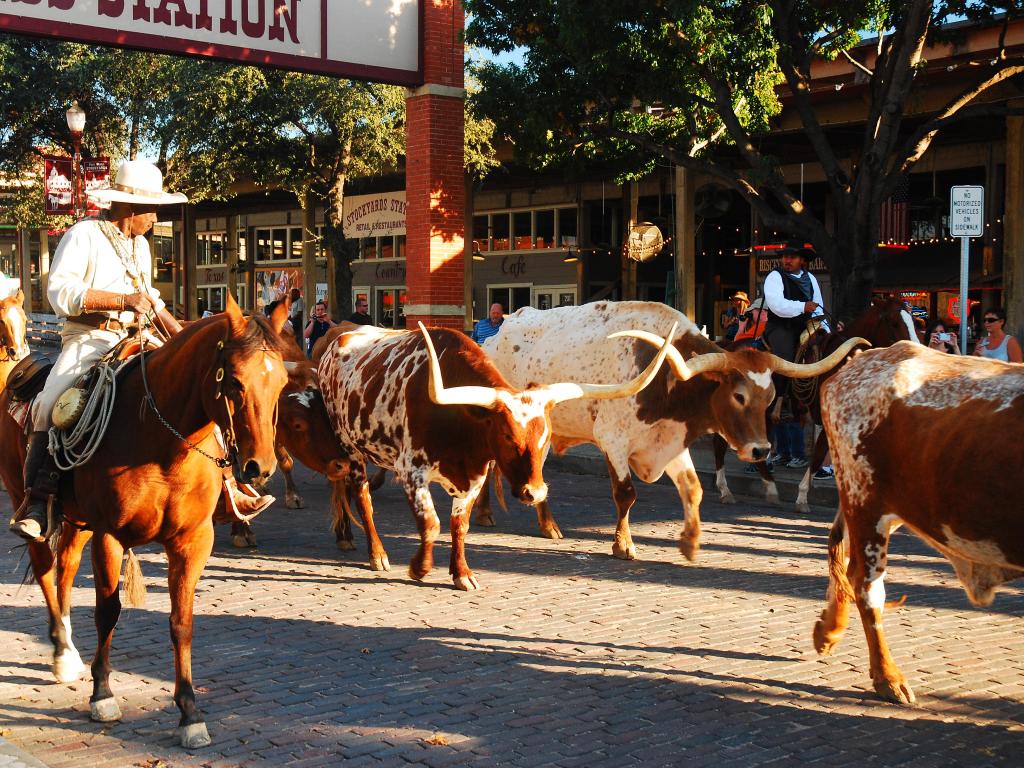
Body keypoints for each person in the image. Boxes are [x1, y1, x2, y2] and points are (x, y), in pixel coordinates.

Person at [8, 160, 271, 542]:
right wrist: (121, 300)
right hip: (89, 339)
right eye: (152, 209)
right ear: (128, 208)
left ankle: (226, 487)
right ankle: (38, 500)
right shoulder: (84, 234)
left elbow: (151, 302)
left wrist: (186, 340)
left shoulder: (142, 247)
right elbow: (60, 292)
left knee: (194, 388)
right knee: (50, 404)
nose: (154, 217)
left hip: (139, 337)